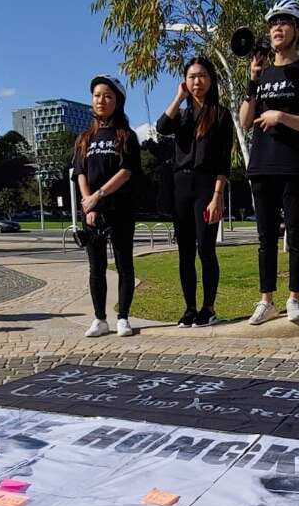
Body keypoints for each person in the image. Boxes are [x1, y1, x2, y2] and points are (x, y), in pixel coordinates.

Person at [240, 0, 299, 325]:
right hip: (262, 164)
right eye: (274, 22)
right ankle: (266, 300)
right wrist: (252, 80)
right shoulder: (262, 72)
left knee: (295, 233)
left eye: (285, 22)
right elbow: (246, 120)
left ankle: (294, 298)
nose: (278, 27)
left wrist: (282, 116)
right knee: (265, 237)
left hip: (294, 164)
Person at [155, 56, 231, 327]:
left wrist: (217, 196)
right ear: (185, 82)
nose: (197, 81)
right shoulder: (182, 116)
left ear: (211, 81)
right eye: (191, 77)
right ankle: (189, 308)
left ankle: (208, 307)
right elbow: (161, 128)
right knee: (185, 251)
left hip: (206, 186)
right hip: (181, 186)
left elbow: (224, 161)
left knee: (206, 249)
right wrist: (178, 98)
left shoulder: (221, 114)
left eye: (202, 76)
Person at [74, 75, 140, 337]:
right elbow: (79, 172)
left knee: (124, 264)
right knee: (96, 266)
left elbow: (126, 172)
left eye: (108, 96)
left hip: (120, 209)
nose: (101, 100)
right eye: (97, 95)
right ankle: (100, 319)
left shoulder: (126, 136)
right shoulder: (84, 138)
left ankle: (123, 317)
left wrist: (99, 195)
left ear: (118, 102)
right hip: (92, 213)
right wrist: (89, 203)